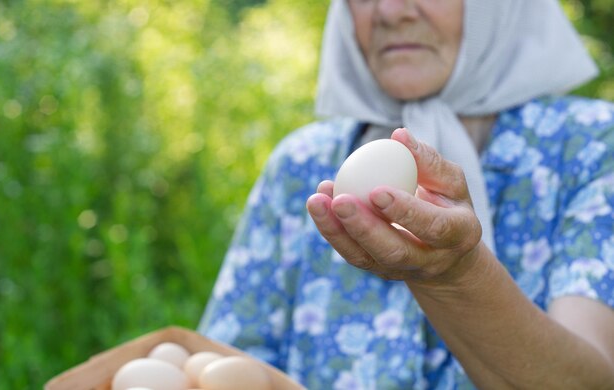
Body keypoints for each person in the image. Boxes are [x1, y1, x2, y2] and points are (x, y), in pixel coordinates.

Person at [199, 0, 614, 388]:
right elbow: (223, 362)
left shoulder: (592, 146)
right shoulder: (303, 162)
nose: (390, 11)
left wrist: (457, 276)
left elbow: (593, 380)